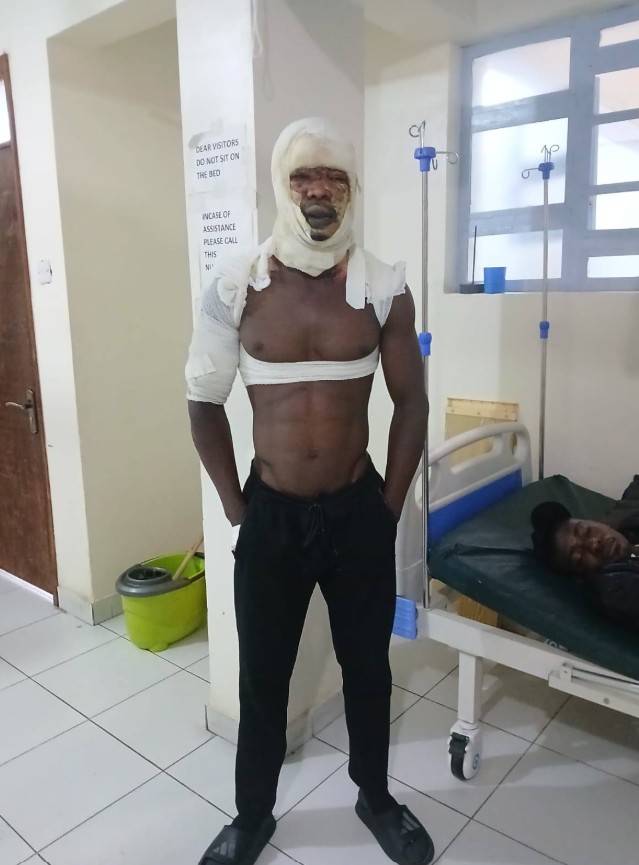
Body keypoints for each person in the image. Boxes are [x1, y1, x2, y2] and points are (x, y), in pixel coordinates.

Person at [186, 118, 433, 865]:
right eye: (303, 177)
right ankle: (251, 816)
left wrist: (387, 508)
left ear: (352, 189)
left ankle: (375, 796)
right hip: (272, 515)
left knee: (368, 668)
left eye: (334, 178)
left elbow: (412, 403)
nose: (319, 192)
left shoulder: (383, 286)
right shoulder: (238, 284)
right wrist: (237, 507)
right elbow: (202, 401)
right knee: (263, 676)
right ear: (281, 183)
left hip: (357, 510)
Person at [531, 477, 639, 628]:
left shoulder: (625, 523)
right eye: (580, 556)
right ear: (580, 574)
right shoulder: (616, 590)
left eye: (586, 531)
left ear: (597, 522)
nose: (594, 544)